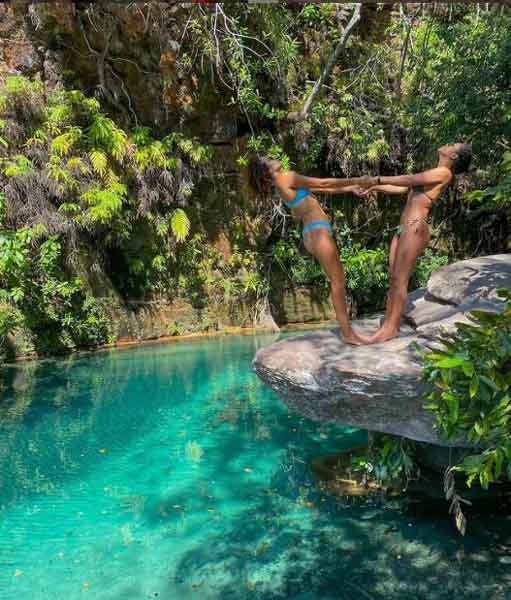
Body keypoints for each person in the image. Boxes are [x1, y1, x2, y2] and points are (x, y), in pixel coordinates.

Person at [247, 156, 372, 345]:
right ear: (267, 170)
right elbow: (324, 181)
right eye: (269, 159)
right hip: (317, 231)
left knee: (337, 280)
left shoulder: (280, 184)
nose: (274, 158)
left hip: (312, 232)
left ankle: (347, 331)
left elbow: (321, 188)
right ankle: (347, 333)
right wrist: (357, 180)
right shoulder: (286, 177)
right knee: (338, 281)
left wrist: (350, 188)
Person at [361, 143, 472, 343]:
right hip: (403, 228)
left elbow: (410, 179)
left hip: (415, 227)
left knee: (400, 279)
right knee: (393, 278)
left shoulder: (444, 173)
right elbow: (404, 187)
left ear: (454, 155)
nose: (447, 144)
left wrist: (377, 178)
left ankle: (391, 328)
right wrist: (374, 186)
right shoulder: (434, 171)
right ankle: (388, 324)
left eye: (452, 145)